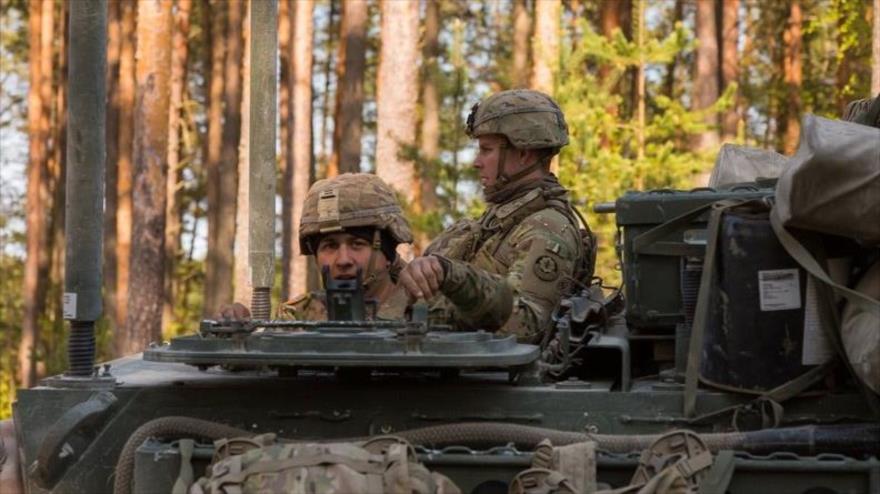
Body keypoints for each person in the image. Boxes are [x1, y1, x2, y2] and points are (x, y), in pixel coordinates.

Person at [399, 89, 595, 343]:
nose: (476, 162)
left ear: (524, 154)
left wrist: (455, 277)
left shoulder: (547, 228)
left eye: (486, 150)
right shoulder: (497, 222)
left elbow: (524, 326)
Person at [220, 173, 413, 321]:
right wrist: (236, 336)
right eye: (330, 246)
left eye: (357, 244)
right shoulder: (298, 316)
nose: (343, 260)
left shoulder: (423, 311)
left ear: (387, 253)